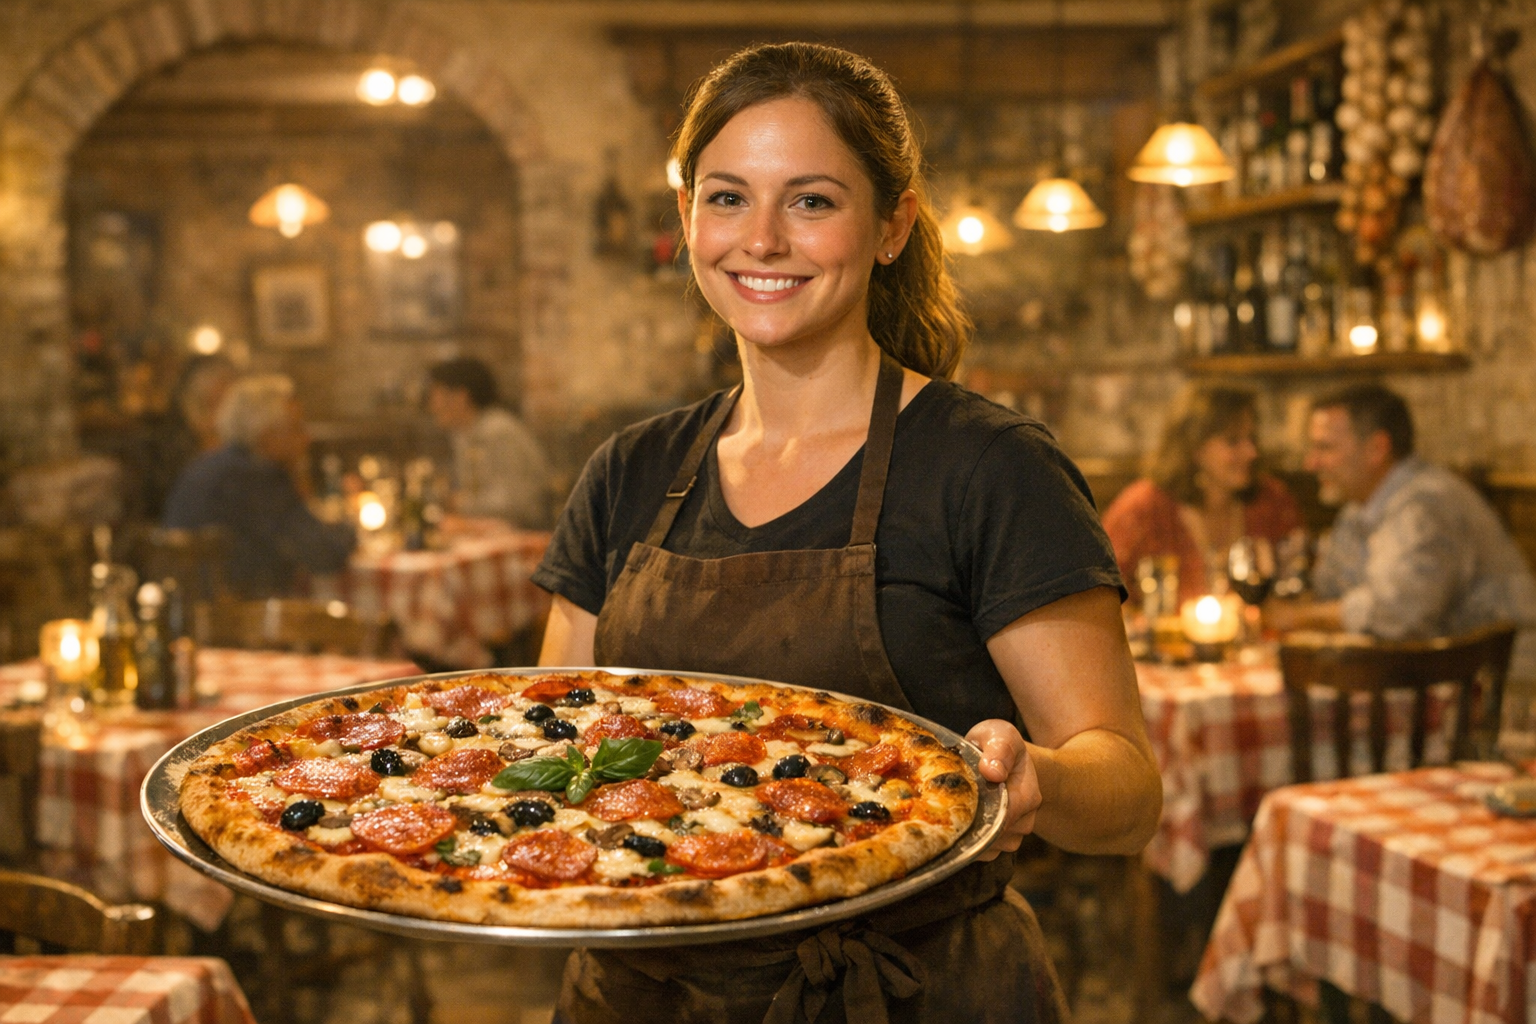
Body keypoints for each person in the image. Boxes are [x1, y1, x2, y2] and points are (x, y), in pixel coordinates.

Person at [532, 42, 1161, 1024]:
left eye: (812, 201)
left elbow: (1128, 796)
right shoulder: (628, 471)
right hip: (642, 995)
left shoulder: (990, 467)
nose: (762, 239)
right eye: (728, 198)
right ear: (688, 219)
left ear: (892, 226)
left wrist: (1040, 778)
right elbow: (551, 743)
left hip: (910, 994)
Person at [1268, 384, 1536, 658]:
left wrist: (1296, 618)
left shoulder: (1426, 505)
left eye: (1325, 448)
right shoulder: (1357, 510)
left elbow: (1399, 615)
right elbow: (1329, 591)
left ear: (1376, 448)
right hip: (1437, 673)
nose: (1311, 463)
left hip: (1506, 678)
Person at [1102, 387, 1302, 603]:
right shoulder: (1143, 507)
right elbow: (1102, 595)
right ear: (1194, 447)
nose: (1251, 452)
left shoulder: (1271, 500)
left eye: (1251, 438)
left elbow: (1299, 588)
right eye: (1233, 441)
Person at [163, 374, 354, 598]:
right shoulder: (260, 478)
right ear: (266, 435)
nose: (306, 438)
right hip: (238, 613)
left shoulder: (203, 466)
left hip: (184, 608)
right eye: (296, 428)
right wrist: (350, 528)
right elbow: (326, 554)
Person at [426, 357, 552, 529]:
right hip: (494, 532)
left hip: (525, 533)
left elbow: (516, 503)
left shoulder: (499, 432)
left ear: (461, 396)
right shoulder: (463, 435)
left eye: (435, 394)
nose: (432, 405)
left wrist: (460, 503)